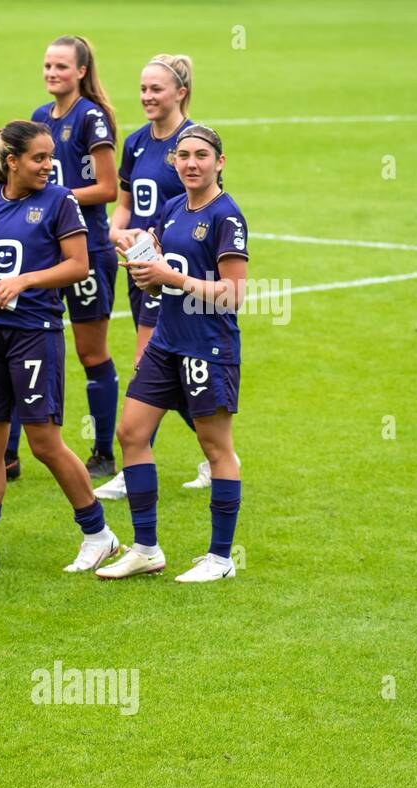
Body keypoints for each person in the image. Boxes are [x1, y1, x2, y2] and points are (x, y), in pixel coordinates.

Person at [0, 122, 119, 574]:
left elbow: (79, 265)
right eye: (38, 158)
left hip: (36, 332)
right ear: (11, 161)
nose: (48, 165)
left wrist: (26, 280)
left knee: (43, 442)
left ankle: (99, 535)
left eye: (49, 156)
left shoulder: (59, 201)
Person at [97, 125, 246, 583]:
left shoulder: (227, 217)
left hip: (208, 345)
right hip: (166, 341)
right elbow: (160, 264)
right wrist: (142, 262)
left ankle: (220, 559)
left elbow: (233, 294)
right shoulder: (174, 207)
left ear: (219, 162)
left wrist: (171, 278)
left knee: (215, 446)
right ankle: (145, 548)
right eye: (183, 155)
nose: (191, 163)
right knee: (131, 433)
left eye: (201, 155)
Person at [98, 54, 230, 500]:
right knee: (163, 368)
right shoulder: (136, 143)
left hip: (176, 277)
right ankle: (217, 455)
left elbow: (208, 208)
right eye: (142, 89)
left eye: (156, 89)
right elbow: (124, 203)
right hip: (143, 268)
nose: (147, 97)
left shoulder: (193, 144)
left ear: (181, 93)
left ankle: (135, 462)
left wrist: (169, 264)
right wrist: (118, 233)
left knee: (147, 366)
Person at [28, 35, 121, 480]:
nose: (51, 73)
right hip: (45, 253)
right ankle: (7, 453)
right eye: (47, 65)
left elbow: (107, 188)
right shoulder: (39, 118)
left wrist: (54, 200)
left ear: (81, 71)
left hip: (88, 249)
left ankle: (103, 451)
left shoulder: (91, 117)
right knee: (23, 339)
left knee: (90, 352)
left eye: (61, 66)